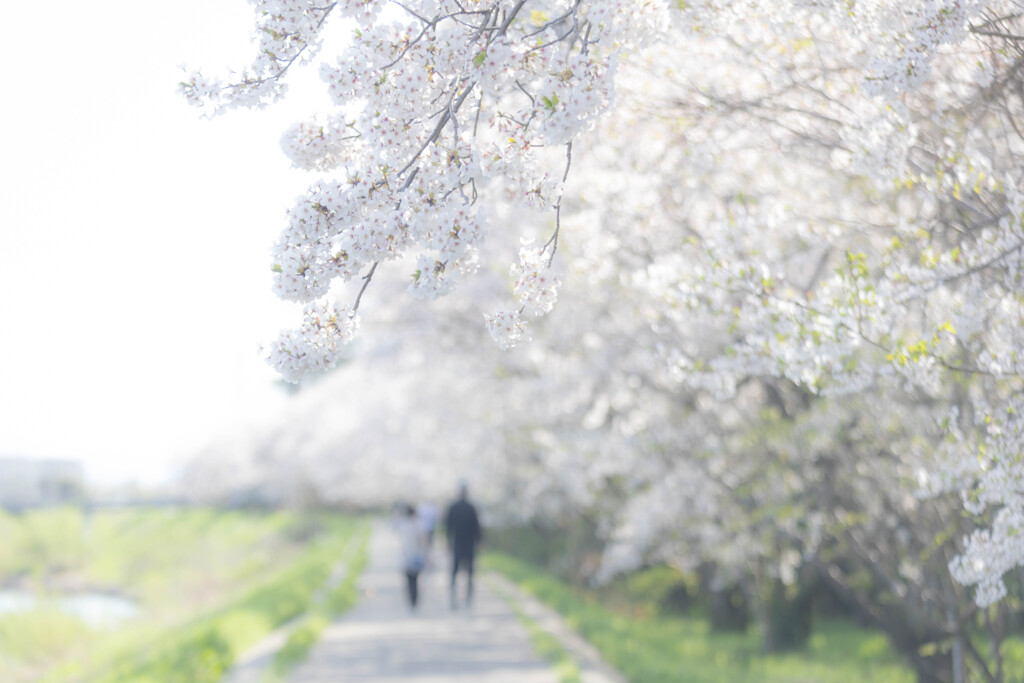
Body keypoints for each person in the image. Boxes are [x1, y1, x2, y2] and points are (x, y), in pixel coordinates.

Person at [444, 481, 481, 609]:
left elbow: (448, 527)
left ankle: (454, 596)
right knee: (469, 572)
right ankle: (468, 598)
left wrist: (448, 542)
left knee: (455, 572)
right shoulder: (471, 507)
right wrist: (480, 541)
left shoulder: (453, 507)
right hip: (469, 544)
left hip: (457, 543)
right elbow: (477, 527)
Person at [396, 504, 428, 610]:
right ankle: (414, 600)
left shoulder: (403, 525)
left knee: (409, 581)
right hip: (416, 556)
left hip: (406, 557)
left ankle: (412, 601)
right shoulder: (418, 525)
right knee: (416, 580)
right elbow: (423, 541)